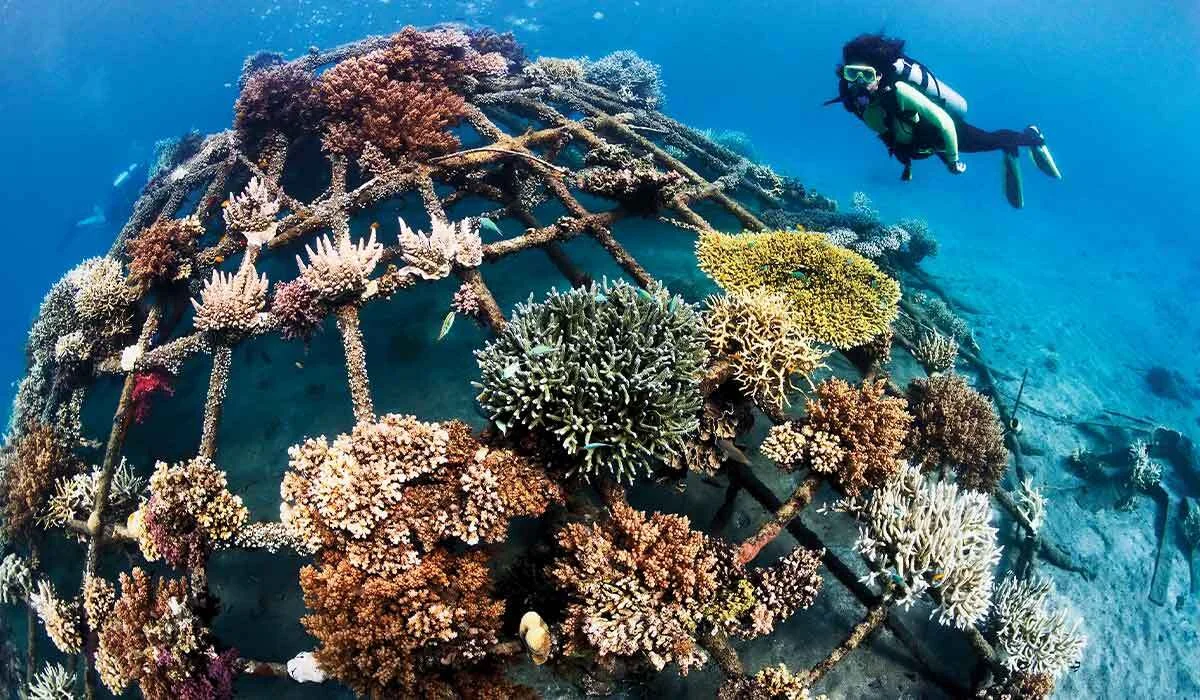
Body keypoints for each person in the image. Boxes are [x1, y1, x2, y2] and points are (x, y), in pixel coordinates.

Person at [830, 33, 1060, 208]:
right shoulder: (854, 102)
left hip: (940, 134)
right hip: (920, 143)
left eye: (867, 75)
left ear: (879, 75)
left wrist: (953, 161)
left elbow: (944, 122)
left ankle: (1031, 138)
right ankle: (1011, 149)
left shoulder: (899, 91)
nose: (859, 82)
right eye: (852, 74)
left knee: (987, 140)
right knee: (973, 143)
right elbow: (885, 128)